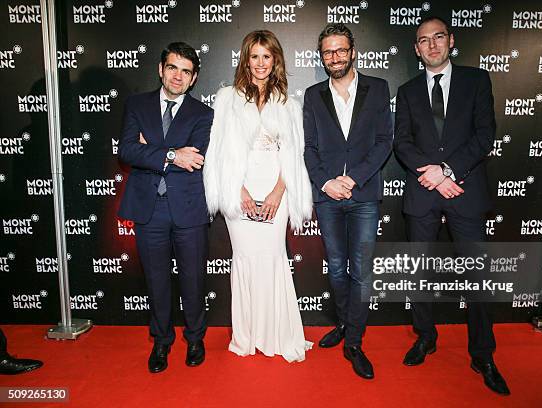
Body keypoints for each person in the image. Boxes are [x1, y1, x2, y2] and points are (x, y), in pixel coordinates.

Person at [393, 17, 509, 395]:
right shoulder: (408, 91)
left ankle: (483, 354)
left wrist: (447, 172)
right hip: (424, 193)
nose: (431, 45)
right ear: (416, 48)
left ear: (451, 41)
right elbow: (402, 142)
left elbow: (484, 134)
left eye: (438, 37)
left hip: (465, 191)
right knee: (419, 273)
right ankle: (425, 337)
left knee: (478, 278)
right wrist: (434, 177)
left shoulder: (476, 81)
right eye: (423, 40)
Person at [203, 30, 313, 362]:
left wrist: (280, 193)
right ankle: (248, 334)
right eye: (255, 56)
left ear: (275, 60)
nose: (261, 63)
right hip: (241, 188)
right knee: (247, 260)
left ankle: (278, 334)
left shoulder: (289, 104)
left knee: (273, 258)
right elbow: (219, 152)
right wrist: (238, 192)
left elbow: (294, 154)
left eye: (267, 56)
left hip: (275, 187)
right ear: (245, 59)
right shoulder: (226, 98)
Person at [303, 23, 393, 379]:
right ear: (321, 57)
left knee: (362, 271)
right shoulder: (312, 95)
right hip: (327, 196)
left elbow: (384, 141)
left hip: (363, 194)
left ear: (353, 51)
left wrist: (353, 179)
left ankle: (354, 341)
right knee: (338, 268)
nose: (335, 57)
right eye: (328, 52)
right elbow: (308, 147)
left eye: (341, 50)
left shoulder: (378, 88)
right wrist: (326, 182)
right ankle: (344, 323)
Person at [118, 42, 213, 373]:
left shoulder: (203, 114)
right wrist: (172, 153)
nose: (178, 76)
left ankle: (195, 338)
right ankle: (161, 341)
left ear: (194, 77)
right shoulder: (137, 105)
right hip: (149, 208)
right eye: (173, 67)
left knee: (193, 279)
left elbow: (195, 157)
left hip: (188, 207)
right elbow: (127, 151)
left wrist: (153, 149)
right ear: (161, 69)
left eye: (186, 71)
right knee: (156, 279)